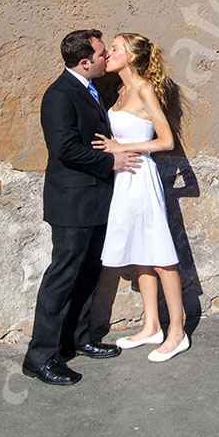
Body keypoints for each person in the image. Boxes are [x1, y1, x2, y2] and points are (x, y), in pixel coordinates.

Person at [22, 29, 142, 386]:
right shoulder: (60, 95)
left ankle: (79, 338)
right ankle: (39, 356)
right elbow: (65, 149)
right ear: (84, 61)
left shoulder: (89, 89)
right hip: (72, 203)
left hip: (95, 200)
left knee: (90, 271)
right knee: (62, 276)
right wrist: (112, 163)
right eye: (102, 54)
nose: (107, 58)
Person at [91, 32, 189, 363]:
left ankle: (178, 332)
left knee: (160, 255)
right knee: (140, 254)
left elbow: (166, 142)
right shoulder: (120, 90)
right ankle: (151, 326)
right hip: (123, 180)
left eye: (115, 49)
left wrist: (123, 147)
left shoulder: (145, 89)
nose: (109, 54)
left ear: (132, 57)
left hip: (142, 177)